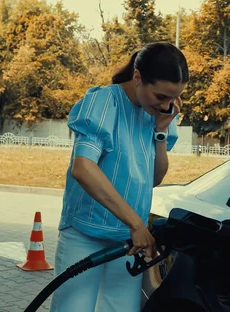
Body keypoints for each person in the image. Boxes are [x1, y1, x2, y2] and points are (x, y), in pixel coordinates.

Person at [49, 42, 188, 311]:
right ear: (137, 77)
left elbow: (155, 178)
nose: (167, 105)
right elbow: (83, 168)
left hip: (127, 241)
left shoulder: (158, 116)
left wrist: (160, 131)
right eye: (161, 97)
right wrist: (137, 224)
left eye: (173, 98)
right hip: (85, 233)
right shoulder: (102, 102)